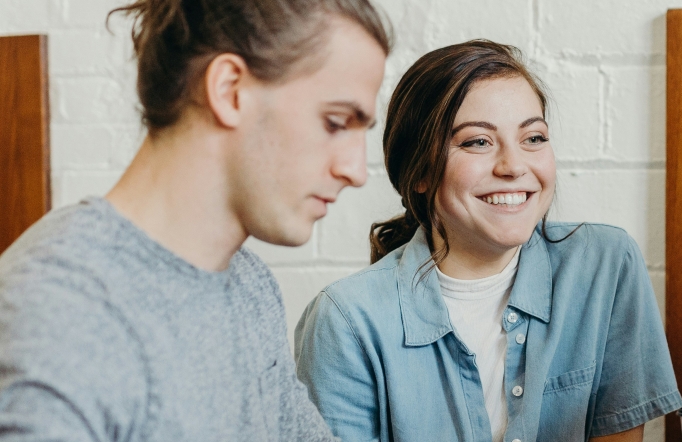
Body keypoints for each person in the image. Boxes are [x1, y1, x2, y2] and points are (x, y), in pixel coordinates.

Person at [0, 0, 391, 439]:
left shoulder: (250, 285)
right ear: (229, 91)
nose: (356, 171)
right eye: (336, 122)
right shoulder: (60, 310)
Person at [294, 39, 682, 442]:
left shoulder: (605, 266)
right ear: (420, 173)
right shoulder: (344, 322)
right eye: (478, 141)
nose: (514, 166)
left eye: (533, 138)